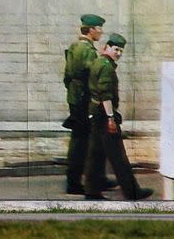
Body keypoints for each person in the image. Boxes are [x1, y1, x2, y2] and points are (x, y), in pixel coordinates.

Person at [84, 33, 154, 200]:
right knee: (118, 156)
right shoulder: (107, 67)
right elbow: (105, 94)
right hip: (104, 115)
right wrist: (110, 118)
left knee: (95, 155)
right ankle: (132, 192)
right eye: (116, 49)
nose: (119, 53)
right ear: (107, 47)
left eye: (121, 51)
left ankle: (92, 191)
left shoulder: (98, 62)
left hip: (94, 113)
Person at [63, 14, 116, 195]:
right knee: (81, 143)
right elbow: (94, 74)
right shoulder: (85, 49)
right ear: (91, 30)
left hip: (77, 99)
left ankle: (96, 179)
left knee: (90, 141)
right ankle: (74, 183)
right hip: (83, 101)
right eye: (99, 28)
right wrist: (105, 59)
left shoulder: (75, 47)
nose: (101, 32)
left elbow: (67, 77)